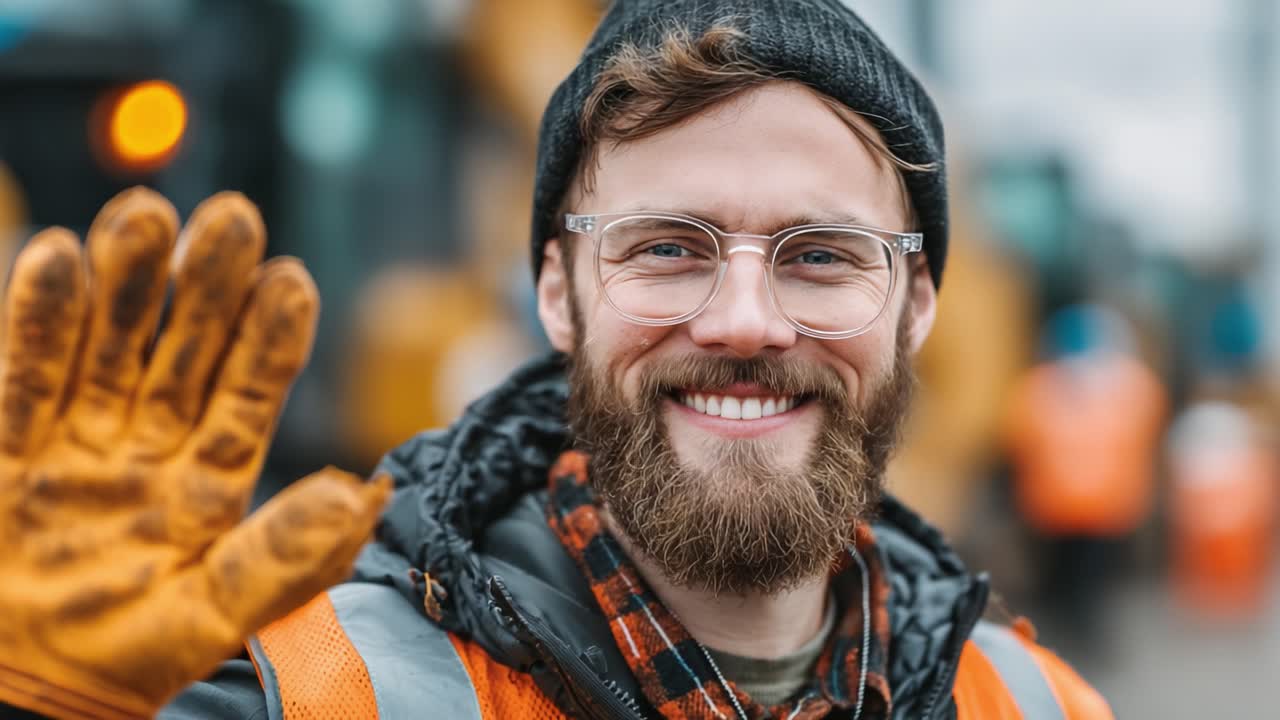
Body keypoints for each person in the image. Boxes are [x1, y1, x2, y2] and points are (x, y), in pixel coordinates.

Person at [0, 1, 1114, 718]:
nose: (741, 320)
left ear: (916, 305)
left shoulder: (1040, 704)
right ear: (555, 297)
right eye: (666, 249)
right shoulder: (322, 690)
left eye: (820, 256)